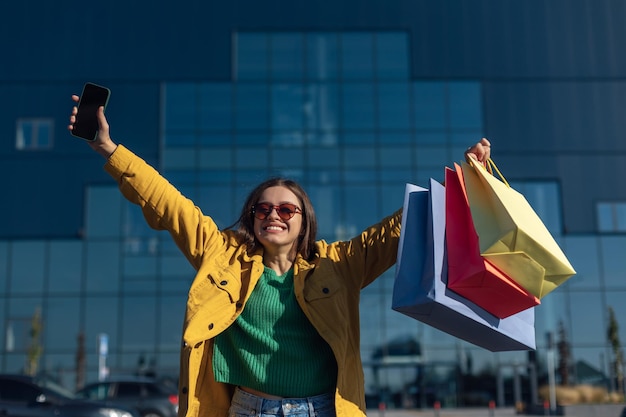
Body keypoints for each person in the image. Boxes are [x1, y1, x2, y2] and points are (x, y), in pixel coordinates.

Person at [68, 94, 491, 417]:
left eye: (287, 209)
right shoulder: (222, 255)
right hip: (251, 410)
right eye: (263, 208)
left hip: (323, 409)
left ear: (303, 221)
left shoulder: (338, 265)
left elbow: (397, 230)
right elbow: (168, 204)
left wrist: (462, 184)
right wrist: (109, 148)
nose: (274, 215)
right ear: (251, 217)